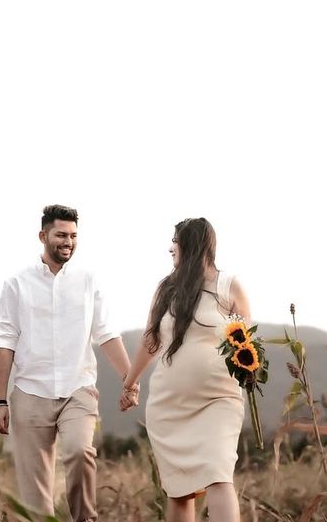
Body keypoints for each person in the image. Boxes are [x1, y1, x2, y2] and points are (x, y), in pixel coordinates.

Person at [0, 204, 134, 522]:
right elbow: (5, 343)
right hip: (30, 392)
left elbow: (106, 333)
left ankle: (86, 519)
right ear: (43, 236)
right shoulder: (17, 283)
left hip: (77, 389)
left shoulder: (88, 280)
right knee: (35, 496)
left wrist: (130, 379)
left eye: (73, 236)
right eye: (60, 235)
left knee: (80, 453)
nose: (67, 241)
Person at [120, 217, 250, 522]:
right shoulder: (167, 288)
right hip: (169, 406)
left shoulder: (228, 286)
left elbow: (247, 345)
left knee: (219, 474)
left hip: (218, 401)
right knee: (179, 491)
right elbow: (151, 340)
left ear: (190, 245)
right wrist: (129, 384)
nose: (170, 249)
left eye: (175, 243)